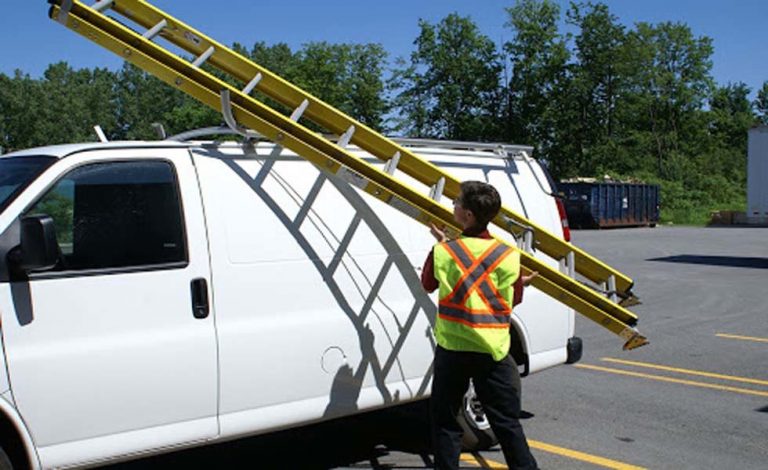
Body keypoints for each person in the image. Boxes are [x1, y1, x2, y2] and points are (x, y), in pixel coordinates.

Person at [421, 180, 539, 470]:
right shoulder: (508, 255)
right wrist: (515, 284)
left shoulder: (444, 252)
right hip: (493, 352)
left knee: (447, 424)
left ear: (468, 215)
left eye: (457, 202)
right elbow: (512, 301)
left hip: (453, 349)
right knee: (507, 424)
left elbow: (427, 284)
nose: (453, 205)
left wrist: (442, 245)